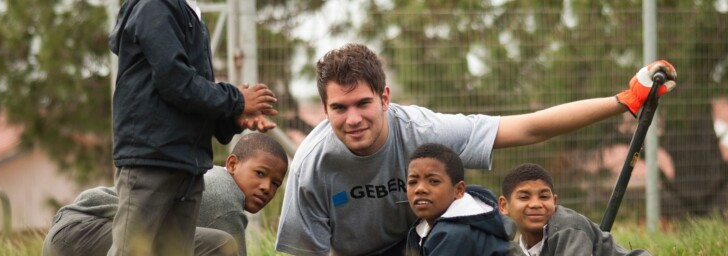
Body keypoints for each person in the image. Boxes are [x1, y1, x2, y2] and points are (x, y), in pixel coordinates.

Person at [275, 43, 677, 255]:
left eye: (362, 103)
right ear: (325, 109)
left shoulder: (421, 130)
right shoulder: (311, 166)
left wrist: (623, 101)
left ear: (384, 98)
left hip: (425, 244)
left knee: (472, 215)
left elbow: (526, 127)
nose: (353, 119)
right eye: (338, 108)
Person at [107, 0, 278, 255]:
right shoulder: (156, 5)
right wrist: (237, 99)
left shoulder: (192, 13)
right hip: (152, 159)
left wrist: (233, 118)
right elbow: (175, 81)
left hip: (187, 165)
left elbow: (192, 97)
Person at [42, 133, 289, 256]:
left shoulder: (209, 177)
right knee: (223, 245)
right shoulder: (226, 196)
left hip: (73, 233)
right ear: (232, 164)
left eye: (276, 183)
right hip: (83, 233)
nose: (267, 187)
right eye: (260, 173)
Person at [498, 163, 650, 256]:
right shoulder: (517, 248)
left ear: (554, 202)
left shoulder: (568, 226)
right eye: (524, 197)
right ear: (504, 205)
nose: (536, 204)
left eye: (544, 197)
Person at [404, 143, 511, 255]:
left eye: (434, 181)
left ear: (459, 190)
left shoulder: (453, 234)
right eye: (413, 182)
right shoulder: (426, 227)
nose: (420, 189)